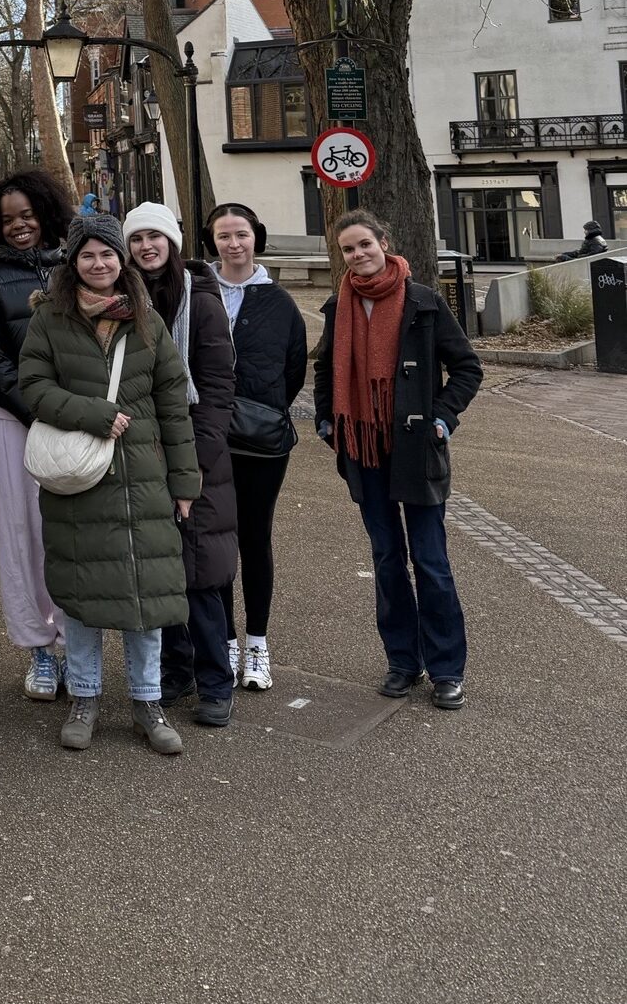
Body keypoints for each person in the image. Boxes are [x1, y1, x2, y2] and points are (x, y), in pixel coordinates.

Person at [17, 213, 199, 755]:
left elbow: (174, 403)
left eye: (108, 255)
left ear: (123, 262)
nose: (100, 264)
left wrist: (185, 481)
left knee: (148, 595)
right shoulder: (49, 319)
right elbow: (32, 386)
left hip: (144, 478)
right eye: (88, 255)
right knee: (81, 595)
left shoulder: (148, 321)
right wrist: (89, 414)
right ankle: (87, 698)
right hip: (80, 479)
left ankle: (147, 702)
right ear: (73, 263)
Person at [313, 210, 483, 710]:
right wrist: (328, 422)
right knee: (387, 560)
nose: (358, 255)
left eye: (365, 244)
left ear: (384, 242)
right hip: (364, 451)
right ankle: (403, 662)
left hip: (416, 451)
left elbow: (468, 368)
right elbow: (325, 370)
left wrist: (442, 418)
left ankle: (447, 669)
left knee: (431, 563)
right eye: (348, 248)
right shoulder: (336, 307)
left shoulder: (424, 303)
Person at [122, 203, 238, 727]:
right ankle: (176, 670)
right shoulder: (123, 301)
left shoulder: (202, 300)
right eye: (137, 238)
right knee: (159, 569)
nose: (147, 246)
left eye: (155, 237)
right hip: (144, 446)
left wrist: (200, 454)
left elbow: (217, 384)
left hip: (196, 447)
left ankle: (216, 681)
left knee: (200, 574)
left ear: (172, 242)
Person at [0, 169, 76, 699]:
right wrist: (41, 410)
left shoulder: (79, 269)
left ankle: (78, 645)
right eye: (8, 219)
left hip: (76, 422)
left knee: (75, 536)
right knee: (22, 536)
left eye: (27, 215)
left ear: (46, 213)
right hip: (12, 424)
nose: (19, 227)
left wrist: (72, 411)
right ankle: (40, 651)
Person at [204, 201, 307, 692]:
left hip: (262, 441)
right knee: (215, 537)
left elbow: (292, 372)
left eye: (241, 234)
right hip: (208, 436)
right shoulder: (197, 291)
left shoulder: (280, 302)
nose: (233, 244)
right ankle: (223, 639)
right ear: (213, 242)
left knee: (254, 537)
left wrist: (259, 409)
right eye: (224, 236)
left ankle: (257, 643)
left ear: (255, 237)